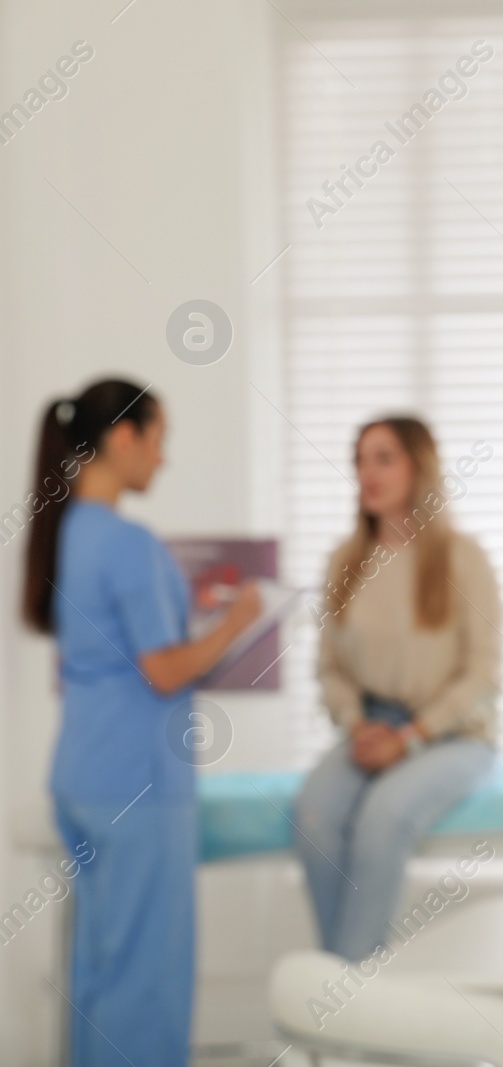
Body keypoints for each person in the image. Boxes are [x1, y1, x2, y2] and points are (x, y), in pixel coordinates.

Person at [22, 379, 262, 1067]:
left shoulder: (64, 532)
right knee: (147, 976)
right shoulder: (128, 542)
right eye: (158, 440)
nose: (163, 459)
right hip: (137, 786)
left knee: (99, 968)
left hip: (82, 776)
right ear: (124, 438)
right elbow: (163, 669)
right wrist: (238, 623)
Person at [294, 416, 500, 961]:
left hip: (453, 735)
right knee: (314, 815)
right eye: (360, 460)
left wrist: (410, 737)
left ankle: (342, 999)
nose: (367, 473)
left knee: (383, 818)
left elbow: (483, 676)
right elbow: (330, 669)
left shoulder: (462, 559)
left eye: (383, 458)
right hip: (370, 726)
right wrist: (358, 724)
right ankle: (346, 986)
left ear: (419, 467)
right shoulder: (345, 561)